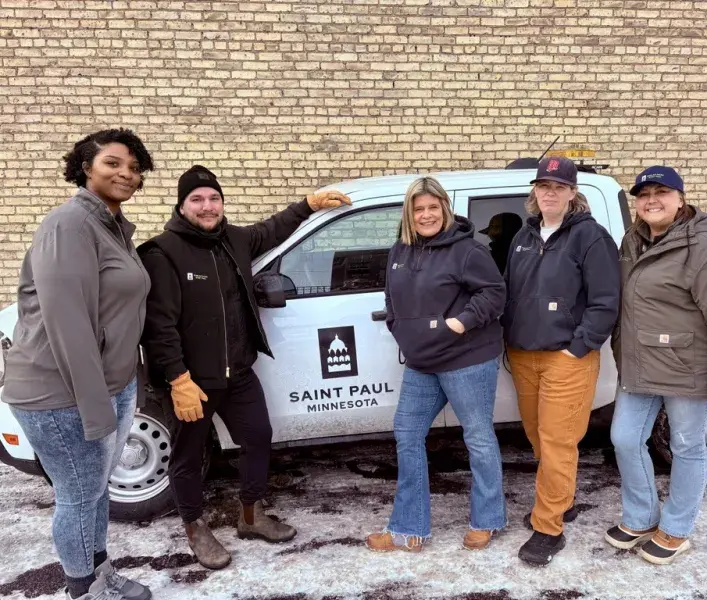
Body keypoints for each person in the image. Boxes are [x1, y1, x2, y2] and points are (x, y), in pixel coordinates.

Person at [138, 166, 350, 569]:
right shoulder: (162, 252)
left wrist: (307, 204)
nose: (207, 206)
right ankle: (195, 527)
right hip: (193, 382)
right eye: (197, 199)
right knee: (188, 455)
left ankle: (250, 515)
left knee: (258, 438)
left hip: (239, 372)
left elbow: (271, 230)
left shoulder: (234, 239)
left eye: (213, 198)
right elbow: (159, 325)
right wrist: (178, 379)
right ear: (182, 206)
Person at [2, 129, 154, 600]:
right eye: (113, 163)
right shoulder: (68, 226)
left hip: (109, 383)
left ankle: (101, 572)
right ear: (86, 167)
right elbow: (68, 324)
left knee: (94, 491)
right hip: (61, 392)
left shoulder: (111, 226)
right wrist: (95, 407)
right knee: (78, 495)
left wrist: (125, 382)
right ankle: (84, 588)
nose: (125, 174)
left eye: (133, 167)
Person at [605, 166, 707, 564]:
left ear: (680, 199)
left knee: (686, 447)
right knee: (624, 438)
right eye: (644, 193)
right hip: (639, 365)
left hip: (686, 367)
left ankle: (676, 528)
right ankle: (640, 516)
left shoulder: (706, 250)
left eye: (661, 192)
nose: (652, 200)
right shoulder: (631, 241)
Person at [366, 176, 507, 553]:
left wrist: (458, 323)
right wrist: (399, 328)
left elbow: (494, 293)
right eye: (418, 209)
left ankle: (488, 519)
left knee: (477, 437)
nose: (426, 215)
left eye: (432, 207)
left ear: (444, 208)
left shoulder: (467, 251)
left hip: (467, 358)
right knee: (407, 434)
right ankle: (409, 530)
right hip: (422, 361)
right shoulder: (400, 250)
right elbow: (391, 298)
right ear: (409, 214)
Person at [503, 155, 620, 566]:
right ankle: (561, 499)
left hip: (566, 359)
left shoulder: (590, 237)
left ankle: (549, 527)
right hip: (524, 355)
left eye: (559, 187)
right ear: (534, 191)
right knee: (538, 438)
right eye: (543, 186)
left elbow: (607, 301)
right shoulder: (523, 236)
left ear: (573, 193)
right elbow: (510, 292)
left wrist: (580, 345)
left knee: (556, 442)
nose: (550, 193)